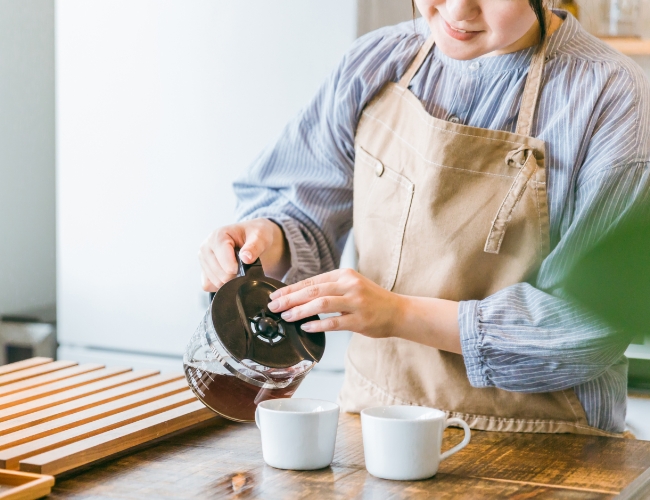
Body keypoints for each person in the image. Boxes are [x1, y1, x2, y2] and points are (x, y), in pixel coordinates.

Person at [198, 0, 650, 436]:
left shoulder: (613, 96)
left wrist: (397, 314)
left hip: (544, 445)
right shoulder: (378, 60)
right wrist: (266, 238)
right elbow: (302, 207)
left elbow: (587, 326)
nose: (457, 11)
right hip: (373, 429)